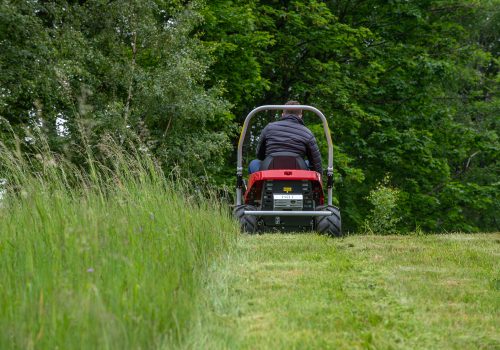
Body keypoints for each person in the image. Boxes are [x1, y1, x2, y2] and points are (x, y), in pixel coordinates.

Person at [249, 101, 323, 174]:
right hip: (298, 172)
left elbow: (260, 155)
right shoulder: (307, 133)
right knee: (307, 163)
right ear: (300, 115)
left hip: (270, 170)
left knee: (254, 163)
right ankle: (306, 185)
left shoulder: (269, 128)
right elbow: (316, 164)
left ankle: (258, 186)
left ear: (283, 114)